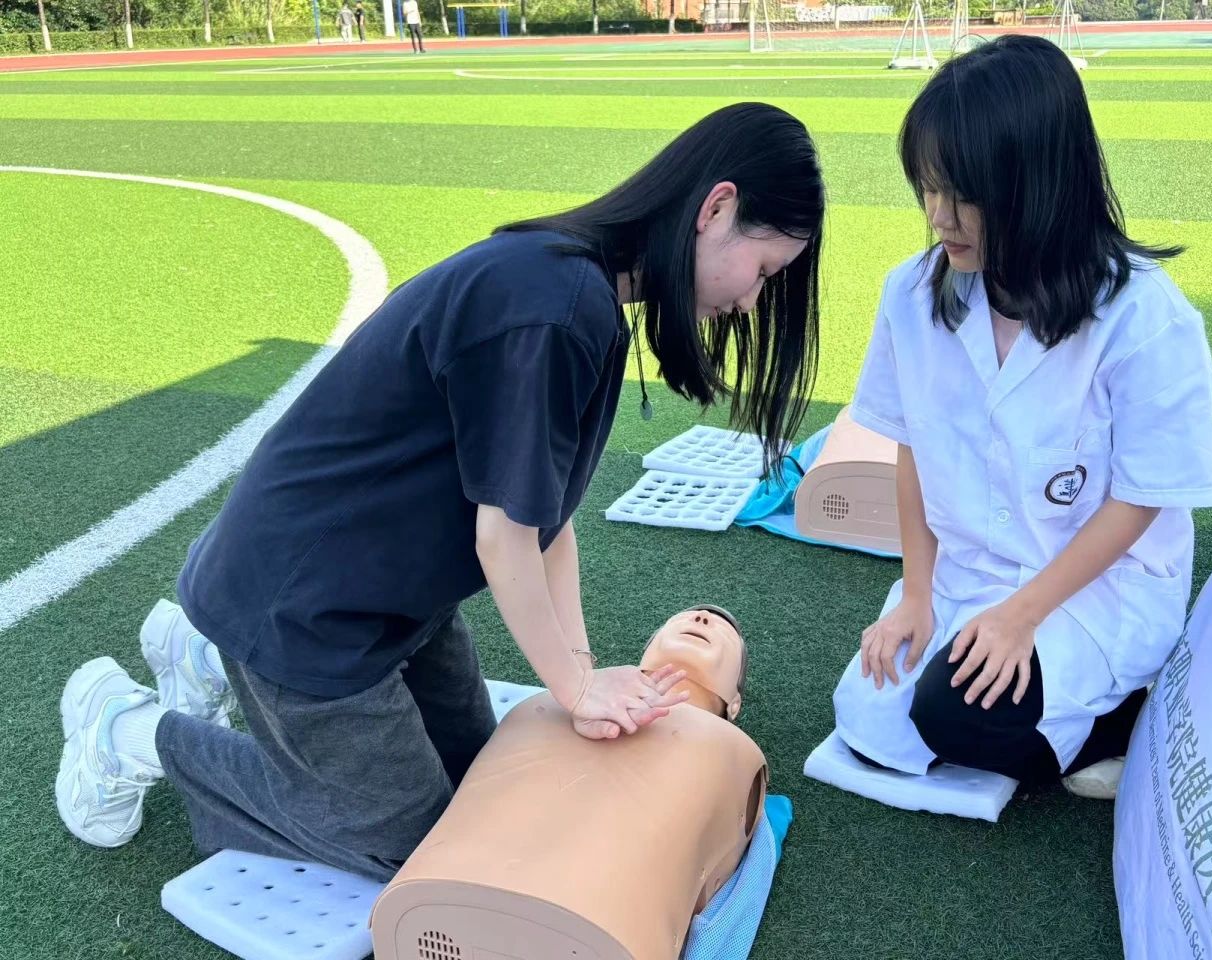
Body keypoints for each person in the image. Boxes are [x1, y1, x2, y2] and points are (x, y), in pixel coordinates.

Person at [54, 102, 826, 881]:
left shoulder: (576, 292)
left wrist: (581, 670)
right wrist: (575, 687)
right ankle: (128, 731)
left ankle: (209, 654)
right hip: (306, 609)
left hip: (391, 600)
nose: (751, 302)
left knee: (478, 790)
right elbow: (504, 538)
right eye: (764, 272)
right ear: (715, 209)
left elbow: (549, 524)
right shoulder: (558, 309)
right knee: (412, 848)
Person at [831, 36, 1212, 801]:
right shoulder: (911, 294)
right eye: (928, 190)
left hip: (1097, 587)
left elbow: (1142, 498)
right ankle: (1060, 713)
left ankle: (1126, 715)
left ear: (1036, 185)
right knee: (869, 711)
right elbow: (912, 448)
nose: (938, 217)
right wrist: (917, 595)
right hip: (969, 570)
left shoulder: (1144, 317)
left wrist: (1023, 616)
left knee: (953, 712)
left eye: (962, 196)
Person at [371, 606, 764, 960]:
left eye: (722, 632)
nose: (701, 618)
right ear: (644, 658)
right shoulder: (547, 706)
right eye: (681, 619)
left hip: (603, 920)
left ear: (735, 703)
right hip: (451, 887)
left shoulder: (732, 755)